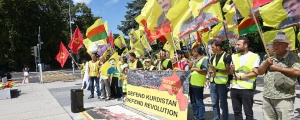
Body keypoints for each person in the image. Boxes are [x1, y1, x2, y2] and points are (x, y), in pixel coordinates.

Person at [258, 32, 300, 120]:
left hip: (284, 98)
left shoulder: (293, 56)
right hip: (267, 97)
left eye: (279, 44)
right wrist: (266, 64)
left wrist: (277, 68)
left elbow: (297, 72)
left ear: (286, 45)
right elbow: (259, 72)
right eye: (274, 44)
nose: (276, 47)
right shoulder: (268, 57)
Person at [230, 37, 260, 120]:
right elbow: (232, 73)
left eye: (238, 44)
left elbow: (255, 72)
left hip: (246, 89)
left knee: (248, 112)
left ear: (245, 45)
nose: (236, 46)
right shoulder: (234, 56)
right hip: (234, 87)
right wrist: (231, 70)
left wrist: (241, 77)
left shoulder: (254, 56)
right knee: (237, 112)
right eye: (236, 44)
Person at [208, 40, 231, 120]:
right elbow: (212, 69)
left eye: (213, 47)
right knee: (214, 103)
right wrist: (210, 72)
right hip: (213, 83)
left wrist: (216, 70)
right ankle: (216, 118)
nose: (212, 49)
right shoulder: (213, 57)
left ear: (218, 47)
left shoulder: (227, 56)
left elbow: (228, 72)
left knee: (223, 104)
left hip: (222, 84)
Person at [189, 46, 208, 120]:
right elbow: (191, 71)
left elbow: (204, 72)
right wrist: (190, 67)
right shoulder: (195, 60)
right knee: (193, 102)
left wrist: (195, 69)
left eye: (193, 52)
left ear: (197, 52)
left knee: (199, 103)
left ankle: (201, 118)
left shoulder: (204, 59)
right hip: (192, 83)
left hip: (198, 84)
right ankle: (195, 116)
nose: (192, 53)